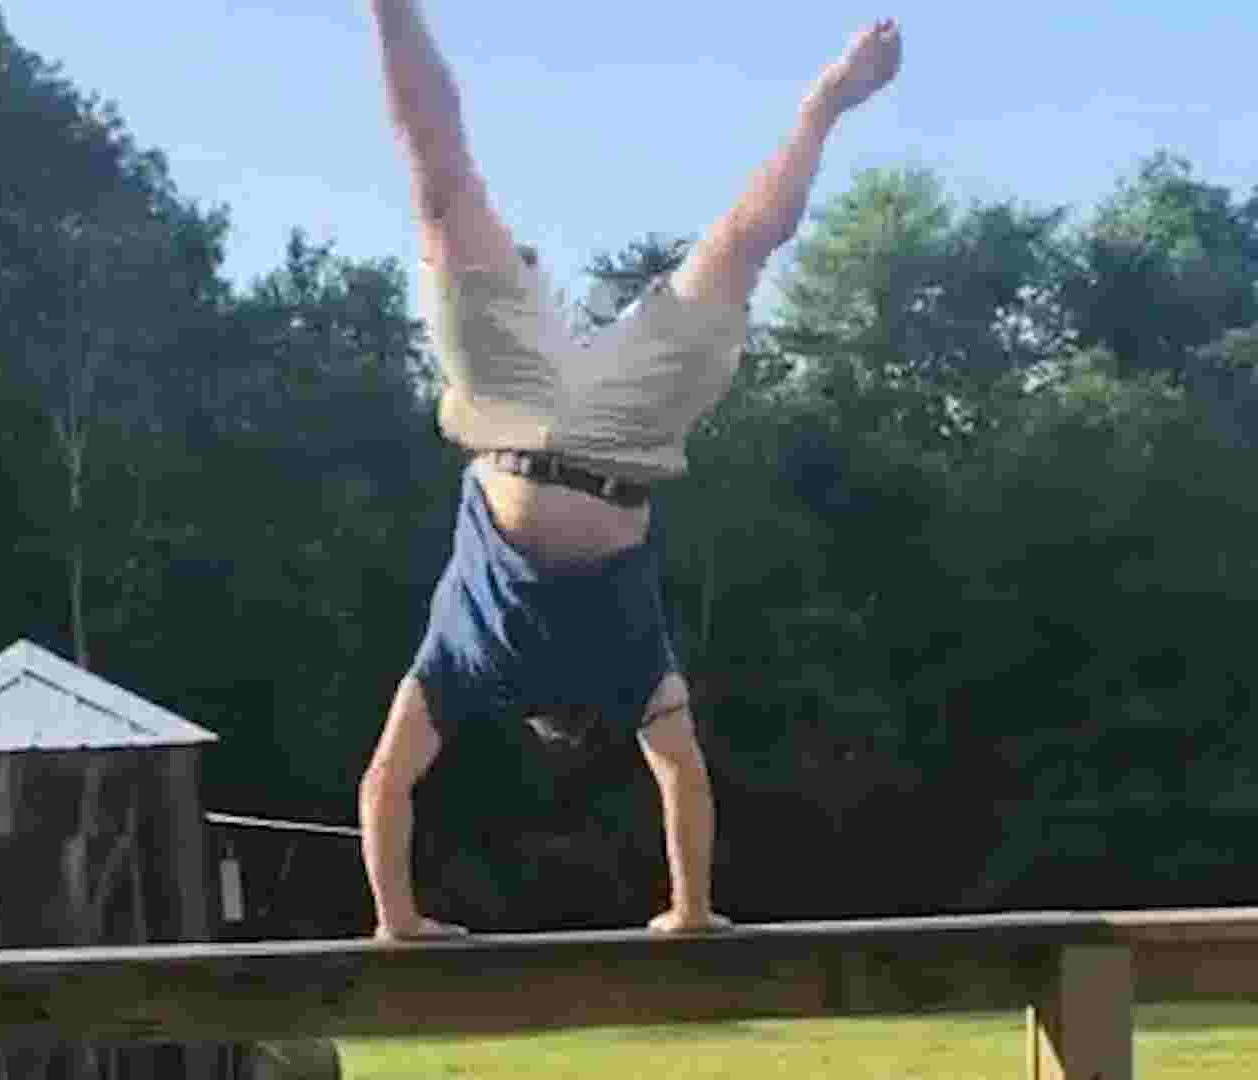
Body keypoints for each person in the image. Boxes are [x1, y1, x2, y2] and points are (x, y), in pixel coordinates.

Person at [357, 0, 903, 942]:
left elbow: (676, 775)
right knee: (446, 198)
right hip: (587, 436)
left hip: (539, 422)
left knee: (723, 245)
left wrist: (688, 911)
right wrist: (399, 919)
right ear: (546, 726)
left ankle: (825, 106)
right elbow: (386, 784)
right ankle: (822, 106)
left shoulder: (539, 676)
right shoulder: (553, 674)